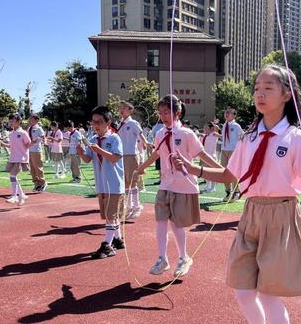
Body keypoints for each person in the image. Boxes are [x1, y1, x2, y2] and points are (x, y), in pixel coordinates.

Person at [172, 64, 301, 324]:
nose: (260, 92)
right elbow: (232, 174)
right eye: (257, 87)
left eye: (268, 87)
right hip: (252, 212)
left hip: (282, 213)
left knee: (269, 290)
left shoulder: (296, 138)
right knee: (243, 288)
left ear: (286, 94)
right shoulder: (250, 137)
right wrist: (194, 169)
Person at [136, 95, 221, 278]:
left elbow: (202, 154)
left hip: (183, 184)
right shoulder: (159, 134)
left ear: (178, 112)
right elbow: (157, 154)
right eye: (160, 113)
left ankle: (183, 257)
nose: (163, 116)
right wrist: (142, 167)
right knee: (160, 220)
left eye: (166, 112)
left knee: (176, 224)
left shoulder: (187, 134)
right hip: (166, 184)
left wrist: (222, 170)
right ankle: (162, 258)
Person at [78, 106, 126, 259]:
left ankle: (107, 245)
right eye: (93, 122)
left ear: (108, 122)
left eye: (99, 122)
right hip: (101, 184)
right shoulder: (93, 139)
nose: (95, 125)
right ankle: (117, 239)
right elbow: (87, 159)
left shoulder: (114, 138)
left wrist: (99, 150)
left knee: (110, 216)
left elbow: (115, 157)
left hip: (114, 184)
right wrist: (80, 151)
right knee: (109, 214)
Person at [117, 101, 148, 219]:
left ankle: (136, 206)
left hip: (131, 155)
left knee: (133, 182)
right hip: (121, 156)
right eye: (120, 108)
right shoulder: (119, 124)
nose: (121, 110)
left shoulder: (133, 123)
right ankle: (128, 207)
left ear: (130, 110)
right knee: (125, 183)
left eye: (124, 108)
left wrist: (145, 144)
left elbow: (141, 136)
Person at [3, 114, 32, 205]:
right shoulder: (11, 134)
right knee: (13, 176)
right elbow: (11, 146)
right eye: (10, 121)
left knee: (12, 175)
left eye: (13, 121)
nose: (11, 123)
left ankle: (14, 196)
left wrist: (25, 150)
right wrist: (3, 144)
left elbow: (28, 144)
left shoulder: (23, 133)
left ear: (19, 122)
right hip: (13, 157)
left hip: (21, 158)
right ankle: (21, 195)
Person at [220, 107, 244, 201]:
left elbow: (242, 137)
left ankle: (236, 192)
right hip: (224, 150)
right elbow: (224, 137)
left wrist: (239, 150)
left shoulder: (236, 126)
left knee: (233, 171)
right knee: (224, 171)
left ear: (234, 115)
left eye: (229, 113)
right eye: (226, 112)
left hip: (233, 150)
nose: (226, 114)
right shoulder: (224, 125)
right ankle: (228, 191)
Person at [27, 114, 47, 192]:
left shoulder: (39, 128)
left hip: (36, 150)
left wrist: (44, 142)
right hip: (29, 150)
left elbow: (43, 137)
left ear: (36, 120)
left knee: (38, 167)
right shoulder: (29, 128)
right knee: (32, 169)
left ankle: (43, 183)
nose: (29, 120)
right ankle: (36, 184)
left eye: (31, 119)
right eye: (29, 119)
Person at [200, 122, 219, 192]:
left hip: (212, 156)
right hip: (205, 157)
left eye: (206, 128)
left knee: (213, 172)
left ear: (211, 129)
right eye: (204, 128)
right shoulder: (203, 136)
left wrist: (214, 124)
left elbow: (217, 129)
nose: (204, 129)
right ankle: (208, 185)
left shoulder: (214, 135)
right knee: (205, 172)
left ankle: (213, 187)